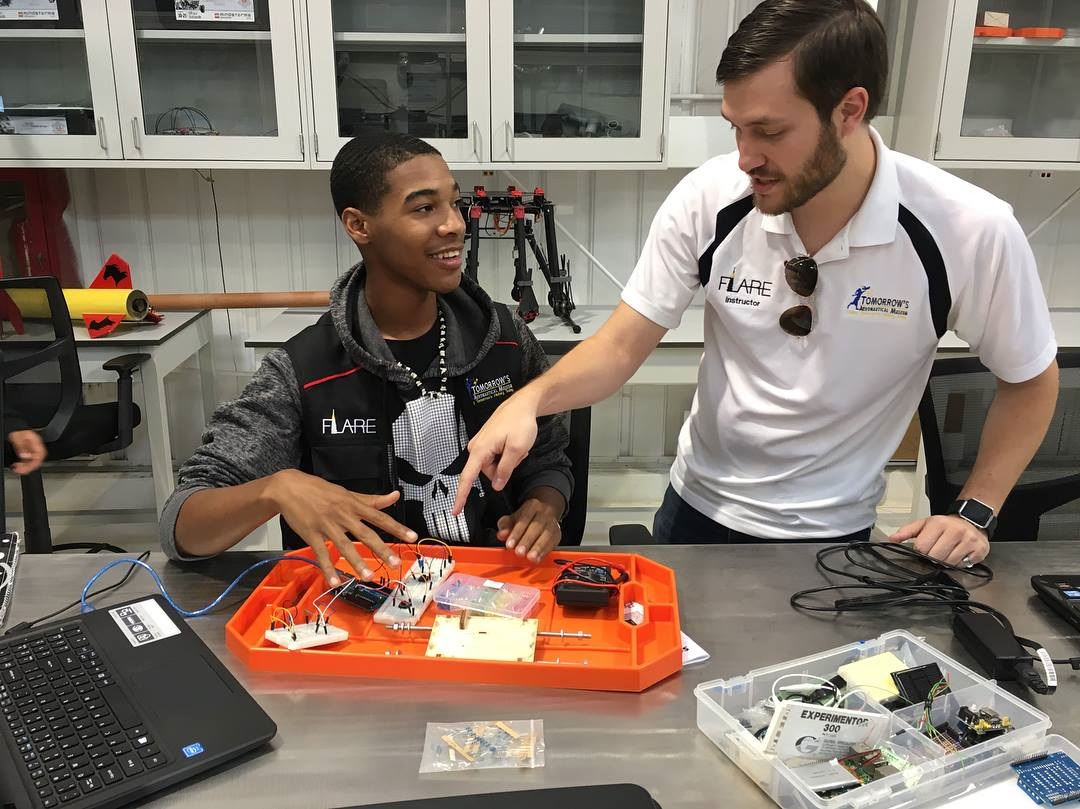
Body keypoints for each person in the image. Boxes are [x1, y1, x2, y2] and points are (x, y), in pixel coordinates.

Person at [454, 0, 1058, 568]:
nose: (745, 156)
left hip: (834, 533)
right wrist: (527, 401)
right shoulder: (710, 198)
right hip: (694, 511)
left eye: (769, 131)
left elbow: (1030, 379)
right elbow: (618, 348)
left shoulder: (968, 230)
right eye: (735, 128)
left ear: (850, 110)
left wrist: (976, 510)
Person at [160, 132, 573, 584]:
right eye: (423, 208)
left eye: (453, 203)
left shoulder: (507, 339)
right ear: (359, 225)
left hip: (494, 599)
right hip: (358, 611)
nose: (454, 224)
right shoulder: (302, 371)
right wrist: (273, 490)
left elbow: (549, 456)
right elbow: (182, 528)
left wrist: (544, 505)